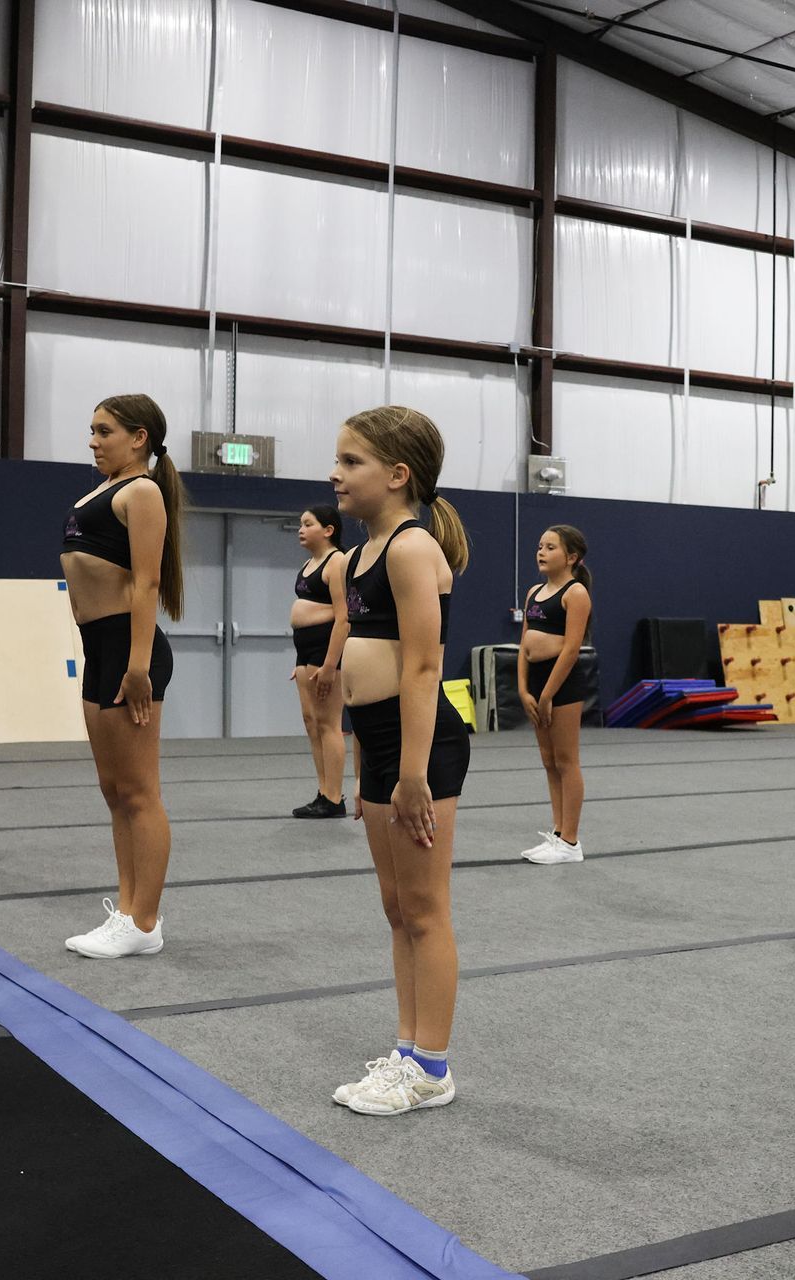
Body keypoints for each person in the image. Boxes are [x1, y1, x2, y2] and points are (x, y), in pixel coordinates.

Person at [323, 407, 470, 1116]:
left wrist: (412, 773)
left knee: (425, 907)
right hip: (382, 744)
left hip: (422, 746)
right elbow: (359, 676)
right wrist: (361, 771)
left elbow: (422, 665)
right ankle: (408, 1049)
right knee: (395, 908)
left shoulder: (411, 549)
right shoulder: (360, 555)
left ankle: (432, 1067)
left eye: (352, 461)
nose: (336, 474)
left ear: (398, 474)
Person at [60, 394, 183, 960]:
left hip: (129, 654)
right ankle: (127, 909)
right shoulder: (99, 492)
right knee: (114, 793)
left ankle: (145, 919)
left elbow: (146, 584)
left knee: (138, 791)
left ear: (139, 438)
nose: (92, 440)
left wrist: (137, 666)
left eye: (103, 430)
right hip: (98, 650)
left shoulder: (142, 492)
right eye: (90, 430)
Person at [517, 525, 593, 865]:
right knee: (548, 761)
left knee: (566, 760)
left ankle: (571, 842)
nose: (541, 552)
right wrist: (522, 689)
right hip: (534, 681)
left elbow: (572, 649)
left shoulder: (575, 594)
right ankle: (559, 833)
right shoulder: (534, 591)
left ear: (572, 557)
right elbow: (524, 643)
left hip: (561, 682)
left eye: (550, 547)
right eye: (540, 545)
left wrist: (547, 695)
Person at [290, 503, 349, 819]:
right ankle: (323, 790)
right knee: (311, 722)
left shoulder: (336, 561)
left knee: (328, 724)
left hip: (326, 650)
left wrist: (329, 665)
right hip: (304, 651)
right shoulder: (308, 563)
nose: (301, 528)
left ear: (328, 530)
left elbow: (344, 617)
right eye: (301, 523)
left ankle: (334, 796)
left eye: (308, 523)